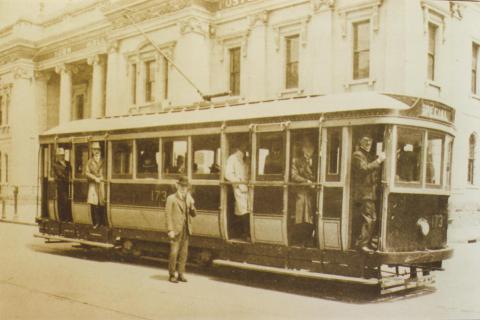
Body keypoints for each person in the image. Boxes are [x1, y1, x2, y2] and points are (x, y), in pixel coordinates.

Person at [351, 134, 386, 253]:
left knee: (372, 218)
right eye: (366, 141)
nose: (368, 144)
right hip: (364, 193)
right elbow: (363, 169)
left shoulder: (366, 155)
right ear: (360, 142)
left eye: (370, 141)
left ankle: (367, 242)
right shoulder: (357, 155)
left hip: (369, 193)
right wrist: (379, 160)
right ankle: (361, 244)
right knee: (369, 218)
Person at [166, 176, 196, 283]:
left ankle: (181, 274)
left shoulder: (188, 199)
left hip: (186, 229)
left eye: (185, 186)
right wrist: (170, 230)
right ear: (177, 186)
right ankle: (171, 274)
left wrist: (192, 205)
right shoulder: (171, 199)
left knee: (184, 253)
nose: (183, 188)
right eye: (181, 186)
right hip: (176, 230)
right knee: (174, 253)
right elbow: (168, 215)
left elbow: (193, 215)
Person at [291, 137, 316, 247]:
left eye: (310, 148)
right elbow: (294, 176)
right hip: (301, 192)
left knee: (311, 217)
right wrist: (307, 181)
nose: (309, 150)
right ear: (303, 149)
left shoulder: (316, 160)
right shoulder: (296, 161)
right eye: (306, 147)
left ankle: (309, 239)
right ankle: (301, 240)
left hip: (312, 193)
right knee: (301, 217)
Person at [225, 143, 250, 240]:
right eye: (245, 146)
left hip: (247, 187)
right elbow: (228, 174)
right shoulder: (233, 158)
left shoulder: (246, 159)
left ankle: (246, 233)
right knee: (242, 209)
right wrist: (238, 183)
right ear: (241, 147)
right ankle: (245, 233)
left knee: (247, 209)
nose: (246, 148)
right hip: (239, 187)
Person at [86, 142, 106, 228]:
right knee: (94, 203)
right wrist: (94, 178)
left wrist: (102, 177)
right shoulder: (89, 162)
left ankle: (103, 222)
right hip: (93, 184)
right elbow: (86, 172)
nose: (96, 151)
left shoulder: (104, 160)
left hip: (102, 183)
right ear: (92, 151)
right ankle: (96, 222)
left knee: (103, 202)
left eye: (97, 149)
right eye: (94, 149)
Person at [53, 147, 71, 222]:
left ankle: (68, 217)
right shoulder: (55, 165)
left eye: (63, 155)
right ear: (57, 156)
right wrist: (68, 178)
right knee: (64, 200)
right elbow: (60, 174)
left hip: (68, 184)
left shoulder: (67, 163)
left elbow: (71, 170)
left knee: (68, 200)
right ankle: (63, 218)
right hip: (61, 185)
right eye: (60, 155)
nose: (61, 156)